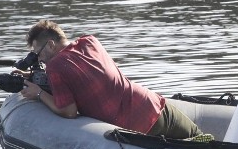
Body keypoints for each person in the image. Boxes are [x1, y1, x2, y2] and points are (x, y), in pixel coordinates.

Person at [19, 20, 206, 140]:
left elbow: (68, 111)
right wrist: (39, 78)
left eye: (38, 52)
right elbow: (85, 75)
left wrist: (39, 93)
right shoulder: (90, 42)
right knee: (204, 141)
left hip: (131, 128)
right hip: (153, 107)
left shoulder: (55, 67)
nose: (39, 59)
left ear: (51, 44)